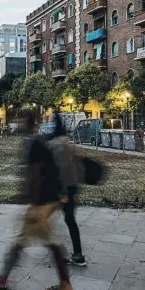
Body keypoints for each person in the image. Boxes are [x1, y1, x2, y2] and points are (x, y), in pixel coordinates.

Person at [0, 109, 73, 290]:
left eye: (21, 120)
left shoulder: (34, 143)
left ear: (27, 122)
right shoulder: (38, 141)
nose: (19, 124)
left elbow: (36, 174)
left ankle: (65, 284)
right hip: (50, 197)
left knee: (46, 242)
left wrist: (32, 201)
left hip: (42, 200)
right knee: (28, 240)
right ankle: (3, 277)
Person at [45, 112, 86, 267]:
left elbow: (60, 168)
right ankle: (77, 254)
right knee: (69, 219)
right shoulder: (66, 141)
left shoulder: (57, 144)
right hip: (71, 185)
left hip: (62, 188)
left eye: (49, 120)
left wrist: (62, 191)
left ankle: (59, 252)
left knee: (46, 217)